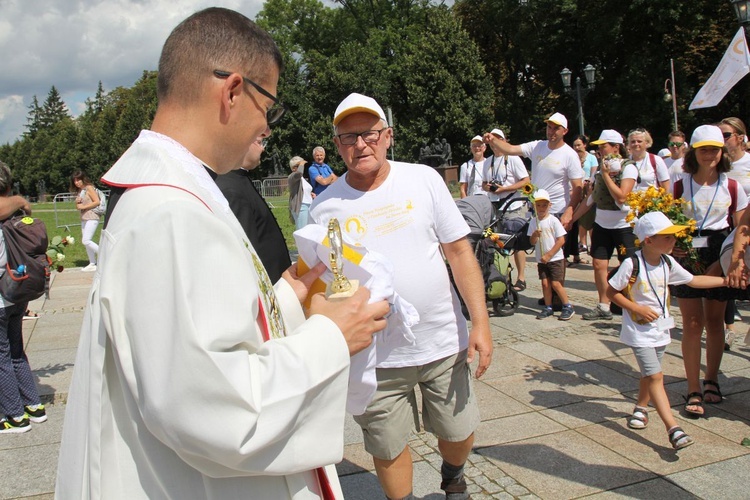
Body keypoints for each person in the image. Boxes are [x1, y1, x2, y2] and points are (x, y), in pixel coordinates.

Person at [55, 9, 389, 499]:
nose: (269, 128)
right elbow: (216, 409)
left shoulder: (177, 195)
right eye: (269, 108)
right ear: (233, 91)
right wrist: (332, 337)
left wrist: (288, 299)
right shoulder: (170, 214)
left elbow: (204, 342)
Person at [310, 92, 492, 500]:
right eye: (349, 137)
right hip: (375, 355)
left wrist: (480, 322)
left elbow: (459, 251)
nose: (361, 144)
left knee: (458, 432)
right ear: (337, 145)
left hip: (441, 340)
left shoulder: (423, 179)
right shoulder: (324, 207)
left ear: (388, 136)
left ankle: (454, 472)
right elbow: (324, 282)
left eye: (370, 134)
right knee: (388, 446)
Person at [608, 212, 727, 450]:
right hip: (639, 331)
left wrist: (727, 282)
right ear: (649, 240)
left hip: (660, 331)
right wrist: (636, 307)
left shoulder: (668, 262)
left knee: (649, 375)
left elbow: (693, 281)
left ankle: (641, 408)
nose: (674, 241)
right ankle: (673, 429)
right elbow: (611, 292)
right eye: (668, 237)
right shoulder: (633, 263)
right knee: (655, 376)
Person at [671, 125, 747, 418]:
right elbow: (668, 220)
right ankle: (692, 387)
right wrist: (672, 245)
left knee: (715, 322)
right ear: (694, 152)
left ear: (721, 152)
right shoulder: (680, 184)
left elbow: (740, 227)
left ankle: (711, 379)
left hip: (719, 249)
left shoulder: (732, 186)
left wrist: (729, 260)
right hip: (687, 251)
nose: (709, 155)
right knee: (691, 322)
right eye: (703, 149)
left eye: (714, 149)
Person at [0, 161, 46, 433]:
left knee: (2, 356)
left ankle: (15, 416)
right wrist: (19, 200)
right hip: (18, 292)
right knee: (15, 351)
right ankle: (33, 405)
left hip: (3, 295)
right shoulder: (14, 219)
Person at [573, 130, 638, 321]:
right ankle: (604, 305)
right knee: (599, 264)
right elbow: (591, 199)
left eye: (604, 145)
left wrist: (607, 175)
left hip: (624, 224)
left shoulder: (629, 168)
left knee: (629, 265)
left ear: (616, 147)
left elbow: (622, 196)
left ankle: (629, 303)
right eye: (599, 146)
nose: (600, 149)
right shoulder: (601, 170)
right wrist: (572, 219)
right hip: (602, 223)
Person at [216, 137, 290, 283]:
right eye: (260, 142)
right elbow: (246, 254)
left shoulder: (238, 180)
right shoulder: (231, 189)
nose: (263, 149)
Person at [481, 128, 530, 293]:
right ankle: (503, 275)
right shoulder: (488, 161)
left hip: (512, 204)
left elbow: (525, 181)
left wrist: (506, 189)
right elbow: (483, 183)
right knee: (498, 242)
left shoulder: (513, 159)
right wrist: (488, 187)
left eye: (498, 139)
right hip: (495, 204)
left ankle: (521, 277)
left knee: (516, 242)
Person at [720, 117, 750, 349]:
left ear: (740, 137)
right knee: (725, 280)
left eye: (726, 135)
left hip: (746, 226)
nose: (722, 140)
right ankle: (727, 328)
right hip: (723, 226)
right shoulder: (718, 164)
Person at [528, 189, 574, 320]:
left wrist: (549, 254)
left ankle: (567, 305)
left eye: (544, 205)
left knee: (556, 284)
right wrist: (534, 235)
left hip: (555, 258)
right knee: (545, 283)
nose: (541, 208)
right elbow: (532, 242)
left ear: (549, 206)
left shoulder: (553, 220)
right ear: (534, 206)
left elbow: (561, 240)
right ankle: (548, 307)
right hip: (541, 259)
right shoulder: (534, 222)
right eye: (538, 205)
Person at [70, 170, 100, 272]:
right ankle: (92, 263)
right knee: (86, 242)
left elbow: (97, 201)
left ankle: (105, 255)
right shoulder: (80, 191)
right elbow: (78, 207)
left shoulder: (89, 188)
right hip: (84, 218)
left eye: (78, 180)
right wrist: (78, 204)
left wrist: (84, 206)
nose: (77, 182)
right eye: (75, 181)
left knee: (86, 240)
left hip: (92, 217)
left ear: (83, 179)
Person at [573, 134, 597, 253]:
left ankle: (593, 243)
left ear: (584, 145)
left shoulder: (591, 158)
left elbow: (594, 172)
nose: (577, 148)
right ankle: (582, 243)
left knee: (590, 216)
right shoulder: (572, 157)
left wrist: (589, 182)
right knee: (580, 217)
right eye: (575, 145)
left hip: (588, 189)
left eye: (579, 145)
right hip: (576, 188)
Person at [627, 128, 671, 193]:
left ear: (646, 143)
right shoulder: (625, 162)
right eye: (633, 142)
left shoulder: (656, 160)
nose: (636, 144)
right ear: (629, 144)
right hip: (630, 202)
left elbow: (666, 188)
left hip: (652, 201)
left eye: (639, 141)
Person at [288, 155, 314, 229]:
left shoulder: (302, 178)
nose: (301, 167)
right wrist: (302, 163)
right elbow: (299, 173)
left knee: (308, 230)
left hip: (309, 205)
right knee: (302, 231)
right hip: (301, 206)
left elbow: (304, 190)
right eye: (298, 165)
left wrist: (310, 194)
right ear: (293, 168)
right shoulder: (292, 177)